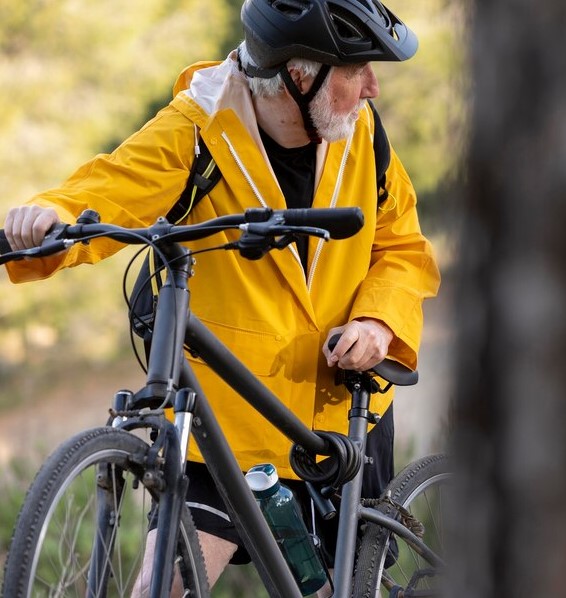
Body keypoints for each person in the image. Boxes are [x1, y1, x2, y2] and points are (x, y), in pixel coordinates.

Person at [2, 0, 440, 593]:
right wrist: (50, 217)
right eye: (356, 69)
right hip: (227, 429)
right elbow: (115, 182)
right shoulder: (199, 124)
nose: (373, 87)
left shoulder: (361, 133)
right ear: (300, 75)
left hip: (337, 409)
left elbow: (402, 247)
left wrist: (378, 321)